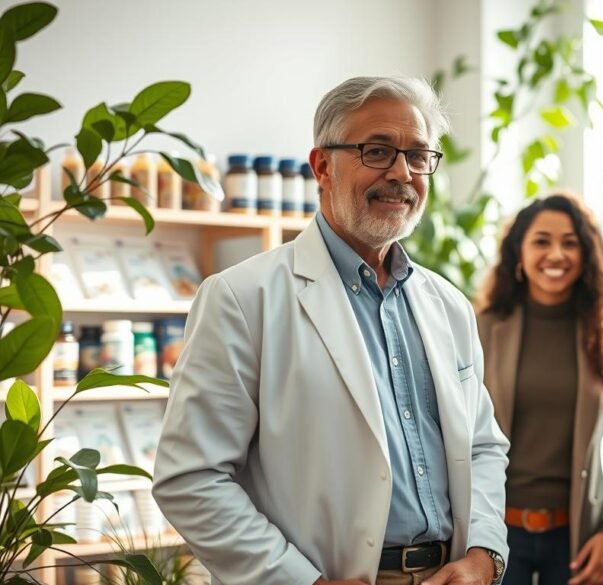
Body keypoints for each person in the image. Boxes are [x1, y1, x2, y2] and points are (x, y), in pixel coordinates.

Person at [153, 76, 510, 585]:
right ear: (322, 166)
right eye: (378, 151)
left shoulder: (448, 305)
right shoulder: (242, 298)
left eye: (417, 155)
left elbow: (481, 446)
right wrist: (301, 582)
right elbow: (191, 478)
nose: (401, 174)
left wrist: (483, 555)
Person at [476, 193, 603, 585]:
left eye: (570, 243)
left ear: (587, 255)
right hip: (493, 534)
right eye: (541, 241)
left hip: (576, 538)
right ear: (519, 253)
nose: (556, 254)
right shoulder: (481, 328)